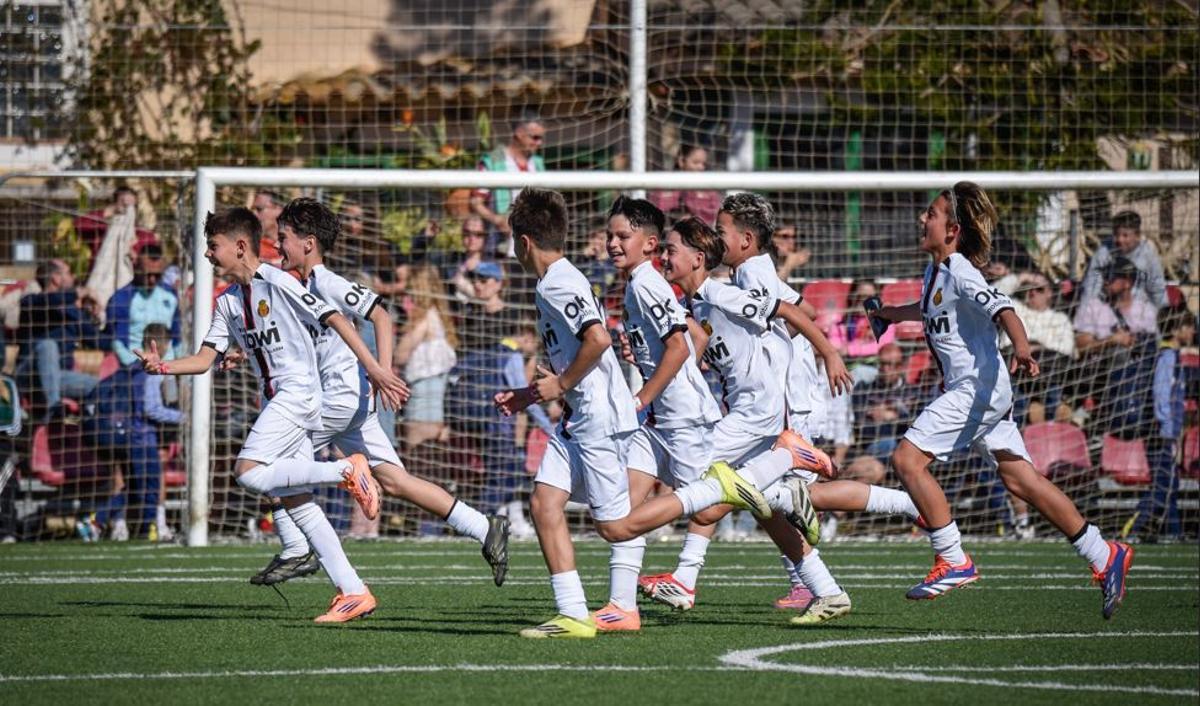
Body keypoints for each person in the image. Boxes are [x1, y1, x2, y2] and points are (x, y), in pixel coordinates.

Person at [493, 188, 796, 639]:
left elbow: (599, 340)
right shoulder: (578, 282)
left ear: (523, 242)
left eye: (621, 236)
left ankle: (757, 475)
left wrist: (606, 390)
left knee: (620, 525)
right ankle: (587, 610)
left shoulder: (568, 282)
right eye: (609, 235)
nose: (613, 244)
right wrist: (533, 392)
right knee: (545, 502)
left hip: (606, 416)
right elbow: (671, 340)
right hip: (591, 415)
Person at [869, 181, 1133, 619]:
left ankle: (953, 559)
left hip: (976, 390)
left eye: (930, 215)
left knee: (907, 461)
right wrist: (891, 315)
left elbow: (1003, 309)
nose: (922, 219)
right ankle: (1104, 554)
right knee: (1020, 481)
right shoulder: (938, 271)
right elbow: (931, 309)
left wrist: (1023, 349)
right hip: (981, 392)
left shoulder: (961, 269)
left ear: (952, 229)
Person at [134, 205, 409, 623]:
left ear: (240, 246)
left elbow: (335, 318)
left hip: (298, 395)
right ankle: (353, 591)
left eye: (214, 246)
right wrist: (164, 366)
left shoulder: (279, 281)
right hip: (277, 399)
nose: (208, 255)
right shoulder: (227, 302)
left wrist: (374, 369)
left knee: (247, 472)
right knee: (297, 500)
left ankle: (345, 472)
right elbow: (207, 357)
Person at [243, 198, 510, 589]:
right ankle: (485, 527)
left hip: (340, 399)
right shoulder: (298, 287)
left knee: (269, 459)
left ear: (309, 243)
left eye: (283, 238)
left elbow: (380, 313)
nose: (277, 245)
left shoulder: (327, 282)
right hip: (348, 403)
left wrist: (381, 372)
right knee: (396, 481)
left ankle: (296, 548)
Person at [89, 323, 181, 540]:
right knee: (148, 485)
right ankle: (148, 527)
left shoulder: (129, 368)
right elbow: (152, 408)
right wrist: (183, 417)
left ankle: (108, 521)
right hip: (144, 436)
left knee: (133, 486)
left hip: (125, 435)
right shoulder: (154, 370)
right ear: (162, 344)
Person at [1125, 305, 1194, 540]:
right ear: (1176, 329)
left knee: (1170, 483)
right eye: (1188, 326)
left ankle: (1174, 533)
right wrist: (1167, 427)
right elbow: (1161, 395)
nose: (1192, 331)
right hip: (1159, 431)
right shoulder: (1166, 357)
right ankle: (1134, 528)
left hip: (1167, 431)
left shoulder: (1172, 356)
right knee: (1164, 484)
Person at [1074, 255, 1158, 435]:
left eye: (1110, 278)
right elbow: (1081, 345)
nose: (1105, 282)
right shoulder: (1093, 306)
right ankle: (1123, 419)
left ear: (1127, 282)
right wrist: (1112, 341)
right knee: (1118, 353)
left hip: (1139, 368)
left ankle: (1149, 420)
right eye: (1105, 277)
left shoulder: (1145, 309)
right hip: (1098, 371)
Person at [15, 259, 103, 418]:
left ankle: (86, 430)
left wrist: (99, 316)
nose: (73, 277)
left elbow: (101, 342)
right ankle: (53, 408)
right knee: (48, 346)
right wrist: (78, 293)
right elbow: (50, 300)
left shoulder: (72, 312)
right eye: (68, 273)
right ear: (55, 277)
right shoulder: (31, 302)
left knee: (100, 386)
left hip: (59, 378)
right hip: (29, 376)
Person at [395, 265, 460, 448]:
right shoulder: (438, 315)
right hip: (434, 390)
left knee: (417, 450)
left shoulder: (424, 318)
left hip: (425, 393)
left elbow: (400, 354)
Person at [471, 112, 546, 257]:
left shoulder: (537, 164)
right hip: (500, 250)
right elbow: (475, 202)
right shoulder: (493, 161)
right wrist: (498, 220)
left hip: (534, 251)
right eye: (535, 137)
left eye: (541, 138)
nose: (539, 143)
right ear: (519, 133)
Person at [842, 343, 919, 484]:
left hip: (905, 447)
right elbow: (864, 430)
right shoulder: (864, 389)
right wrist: (899, 420)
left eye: (892, 364)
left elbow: (915, 427)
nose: (886, 369)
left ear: (901, 366)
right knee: (890, 444)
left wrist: (891, 416)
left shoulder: (913, 393)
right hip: (872, 447)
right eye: (883, 363)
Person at [105, 243, 183, 366]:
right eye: (148, 274)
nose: (152, 279)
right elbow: (117, 342)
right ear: (137, 268)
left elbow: (177, 337)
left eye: (157, 275)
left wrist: (182, 367)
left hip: (168, 367)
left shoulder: (171, 295)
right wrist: (136, 366)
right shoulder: (121, 299)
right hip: (136, 368)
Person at [1081, 210, 1168, 310]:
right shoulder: (1104, 252)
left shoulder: (1148, 255)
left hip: (1139, 312)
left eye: (1125, 235)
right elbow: (1091, 286)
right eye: (1116, 235)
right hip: (1109, 310)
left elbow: (1157, 289)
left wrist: (1163, 313)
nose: (1120, 240)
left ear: (1137, 236)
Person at [649, 144, 722, 225]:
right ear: (681, 161)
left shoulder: (709, 191)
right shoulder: (665, 186)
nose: (701, 167)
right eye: (696, 162)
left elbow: (714, 215)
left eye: (704, 164)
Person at [251, 190, 286, 266]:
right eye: (252, 210)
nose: (254, 214)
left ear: (278, 210)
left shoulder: (295, 244)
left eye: (259, 209)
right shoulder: (251, 246)